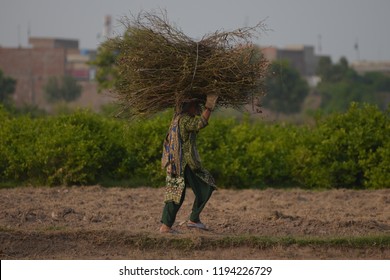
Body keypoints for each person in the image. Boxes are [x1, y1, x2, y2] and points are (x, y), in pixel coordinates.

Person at [160, 94, 218, 233]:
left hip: (175, 163)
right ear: (189, 106)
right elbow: (200, 124)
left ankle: (172, 224)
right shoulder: (184, 120)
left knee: (175, 194)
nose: (198, 108)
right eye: (195, 106)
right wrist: (209, 107)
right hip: (183, 164)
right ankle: (188, 221)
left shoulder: (176, 118)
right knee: (205, 186)